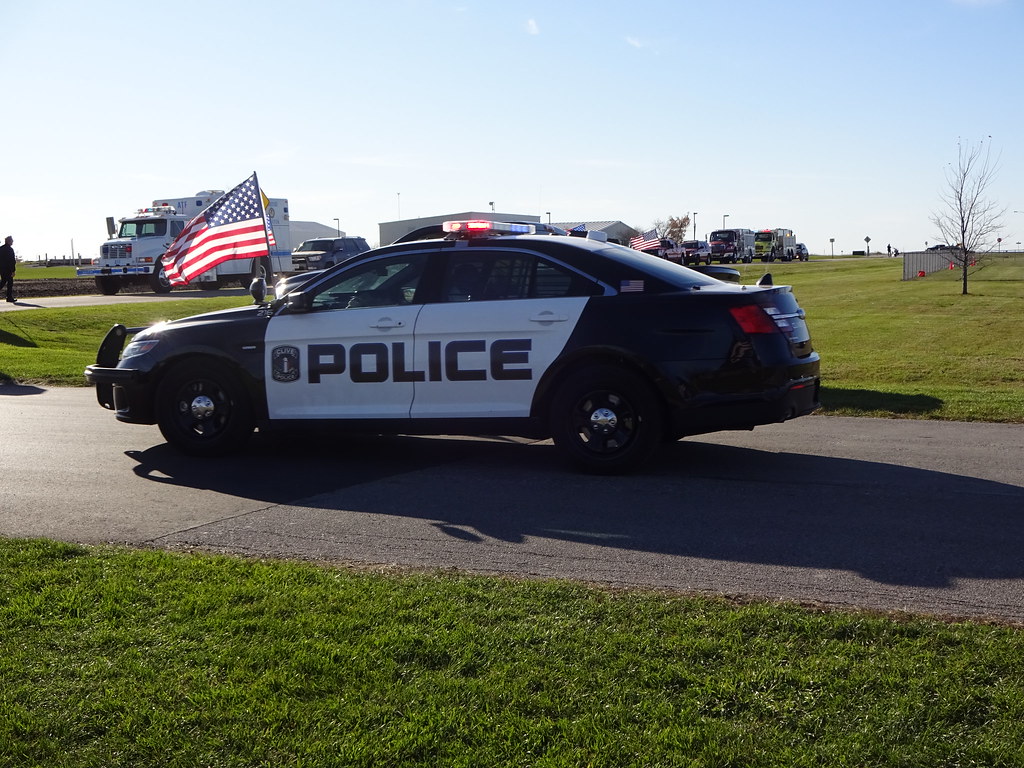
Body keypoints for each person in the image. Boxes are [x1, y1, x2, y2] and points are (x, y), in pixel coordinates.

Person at [0, 235, 16, 302]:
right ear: (9, 241)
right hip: (8, 269)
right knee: (10, 283)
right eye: (12, 240)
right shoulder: (10, 249)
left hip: (1, 269)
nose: (12, 242)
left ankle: (9, 297)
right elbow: (12, 261)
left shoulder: (1, 248)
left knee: (3, 281)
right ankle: (9, 297)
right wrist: (13, 270)